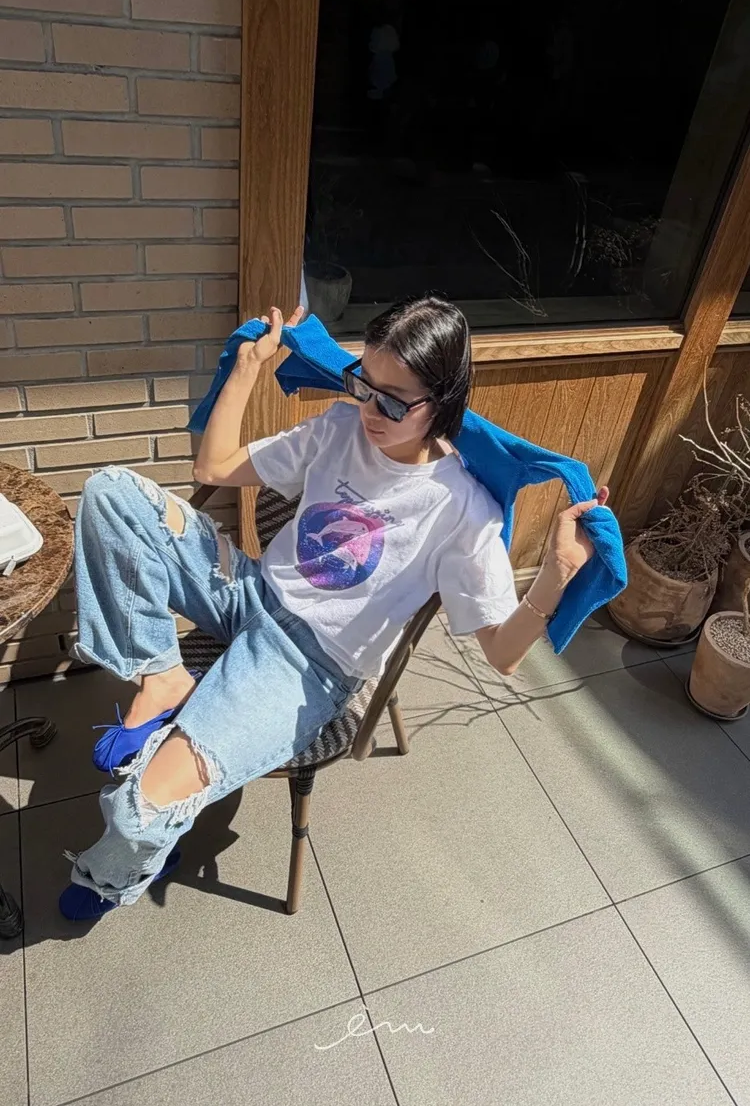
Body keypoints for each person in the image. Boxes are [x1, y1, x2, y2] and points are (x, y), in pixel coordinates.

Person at [60, 296, 607, 920]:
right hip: (249, 590)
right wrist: (248, 368)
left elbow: (503, 654)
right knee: (113, 491)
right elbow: (215, 465)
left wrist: (557, 575)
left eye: (394, 402)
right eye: (363, 384)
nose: (371, 410)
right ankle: (163, 677)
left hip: (308, 665)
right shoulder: (340, 426)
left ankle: (117, 870)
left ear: (444, 400)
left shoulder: (461, 508)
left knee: (140, 812)